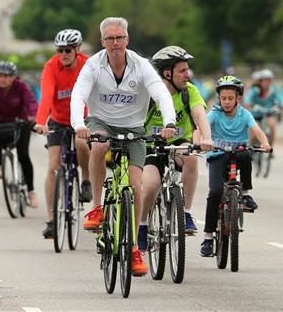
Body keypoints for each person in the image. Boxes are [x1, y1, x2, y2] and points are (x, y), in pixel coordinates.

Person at [71, 17, 177, 277]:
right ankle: (97, 207)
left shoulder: (141, 65)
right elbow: (78, 94)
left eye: (119, 38)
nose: (115, 43)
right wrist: (78, 125)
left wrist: (170, 122)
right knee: (99, 145)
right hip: (101, 122)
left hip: (133, 128)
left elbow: (160, 93)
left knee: (136, 185)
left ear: (127, 40)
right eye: (110, 39)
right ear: (102, 41)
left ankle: (133, 249)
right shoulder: (94, 65)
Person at [138, 46, 213, 252]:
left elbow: (199, 116)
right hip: (151, 146)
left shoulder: (190, 91)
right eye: (182, 70)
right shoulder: (150, 93)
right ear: (167, 73)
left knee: (190, 157)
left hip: (178, 144)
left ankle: (186, 213)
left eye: (187, 69)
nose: (187, 74)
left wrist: (207, 138)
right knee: (151, 185)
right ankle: (142, 226)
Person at [199, 76, 271, 258]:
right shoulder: (215, 113)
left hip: (238, 152)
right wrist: (199, 142)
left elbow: (257, 130)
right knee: (215, 193)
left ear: (238, 98)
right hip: (217, 154)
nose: (227, 102)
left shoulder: (244, 114)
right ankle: (208, 237)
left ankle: (245, 194)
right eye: (223, 98)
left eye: (231, 98)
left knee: (246, 155)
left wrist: (265, 143)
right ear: (219, 99)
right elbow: (201, 127)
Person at [34, 28, 92, 240]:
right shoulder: (51, 66)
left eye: (67, 50)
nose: (63, 54)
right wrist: (40, 122)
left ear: (77, 49)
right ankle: (51, 220)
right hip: (58, 120)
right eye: (60, 50)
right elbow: (47, 95)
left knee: (81, 143)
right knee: (53, 168)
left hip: (83, 121)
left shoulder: (88, 65)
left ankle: (86, 180)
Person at [0, 61, 38, 207]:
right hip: (2, 123)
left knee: (23, 155)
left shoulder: (21, 87)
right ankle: (1, 164)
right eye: (0, 76)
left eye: (6, 76)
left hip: (21, 123)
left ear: (13, 77)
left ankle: (31, 192)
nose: (2, 79)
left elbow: (31, 101)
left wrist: (32, 115)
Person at [242, 68, 283, 152]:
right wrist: (249, 105)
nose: (267, 82)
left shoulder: (274, 89)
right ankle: (250, 150)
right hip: (256, 113)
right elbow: (248, 99)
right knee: (253, 131)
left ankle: (271, 147)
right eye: (265, 80)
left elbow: (281, 98)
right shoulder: (255, 89)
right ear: (260, 81)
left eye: (269, 80)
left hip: (269, 112)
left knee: (272, 125)